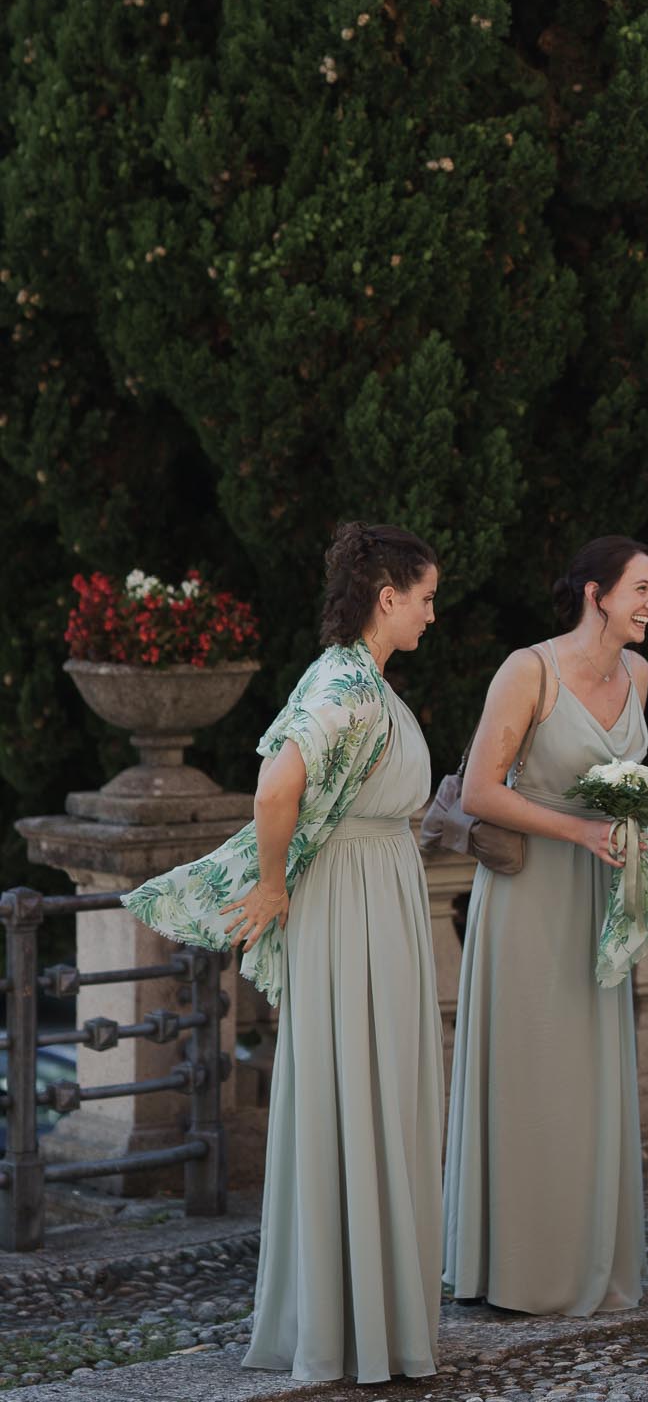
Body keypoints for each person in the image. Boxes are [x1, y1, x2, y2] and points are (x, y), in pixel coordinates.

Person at [125, 520, 446, 1385]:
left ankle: (369, 1316)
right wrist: (271, 885)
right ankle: (347, 1324)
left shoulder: (366, 682)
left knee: (378, 1088)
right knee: (356, 1086)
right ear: (387, 599)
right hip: (350, 900)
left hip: (379, 890)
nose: (429, 616)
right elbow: (278, 784)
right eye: (423, 600)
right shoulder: (342, 681)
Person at [442, 535, 648, 1316]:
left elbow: (624, 784)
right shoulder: (529, 670)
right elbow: (480, 790)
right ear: (594, 593)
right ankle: (516, 1271)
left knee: (588, 1079)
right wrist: (579, 832)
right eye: (641, 588)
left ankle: (586, 1260)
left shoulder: (638, 673)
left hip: (603, 898)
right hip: (532, 897)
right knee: (533, 1075)